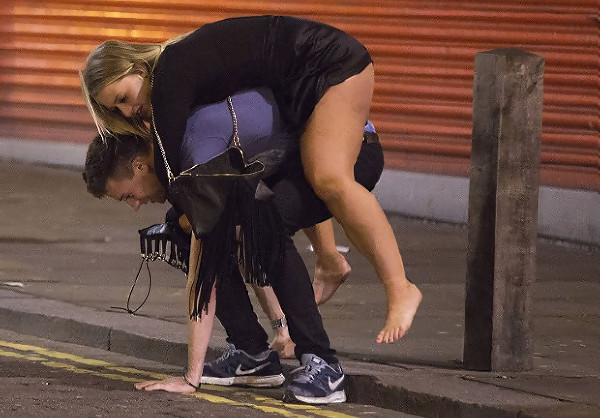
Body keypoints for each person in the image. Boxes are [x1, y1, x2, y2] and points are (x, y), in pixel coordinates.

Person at [81, 15, 422, 347]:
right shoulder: (181, 73)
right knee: (283, 182)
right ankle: (328, 262)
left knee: (329, 177)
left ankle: (400, 287)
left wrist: (189, 212)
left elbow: (170, 169)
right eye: (116, 110)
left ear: (137, 69)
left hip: (327, 63)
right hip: (297, 93)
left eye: (123, 98)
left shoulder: (169, 75)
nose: (127, 112)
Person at [83, 88, 384, 404]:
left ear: (139, 166)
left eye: (129, 195)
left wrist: (191, 378)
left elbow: (202, 277)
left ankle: (323, 364)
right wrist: (279, 327)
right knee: (186, 226)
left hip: (350, 148)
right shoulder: (172, 160)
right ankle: (251, 352)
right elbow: (240, 247)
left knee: (260, 222)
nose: (135, 206)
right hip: (299, 158)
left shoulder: (190, 157)